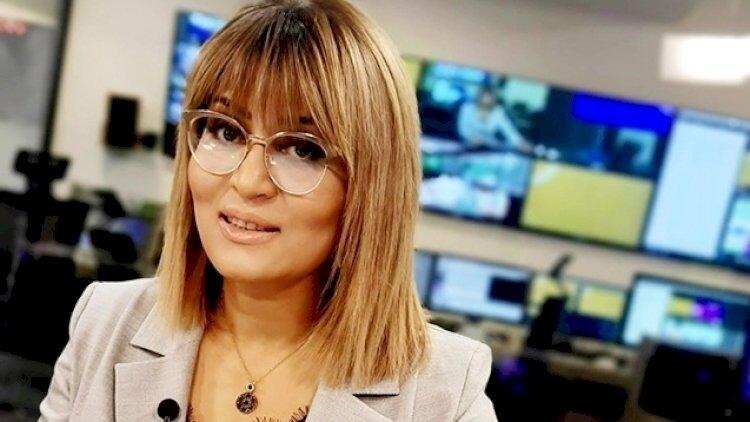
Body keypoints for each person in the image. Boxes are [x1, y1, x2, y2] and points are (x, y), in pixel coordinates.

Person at [39, 1, 497, 421]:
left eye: (302, 149)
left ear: (372, 186)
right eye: (225, 131)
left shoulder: (444, 394)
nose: (248, 181)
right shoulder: (106, 322)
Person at [457, 85, 529, 152]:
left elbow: (509, 130)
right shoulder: (467, 108)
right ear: (479, 97)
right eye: (484, 96)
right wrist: (474, 139)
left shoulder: (498, 112)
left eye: (490, 97)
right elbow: (463, 129)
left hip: (488, 147)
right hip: (466, 144)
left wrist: (520, 143)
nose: (486, 100)